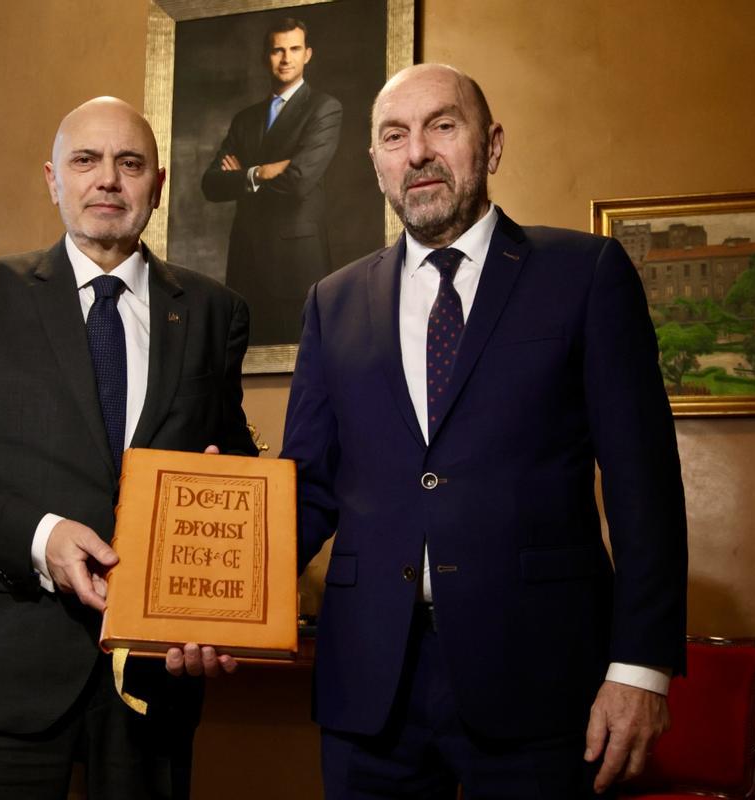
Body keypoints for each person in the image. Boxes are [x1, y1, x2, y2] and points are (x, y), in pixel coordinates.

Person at [281, 64, 688, 798]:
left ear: (491, 145)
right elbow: (309, 487)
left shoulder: (584, 273)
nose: (418, 153)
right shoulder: (332, 302)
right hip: (370, 688)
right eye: (394, 136)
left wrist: (640, 668)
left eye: (443, 125)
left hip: (539, 679)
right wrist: (221, 580)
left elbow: (644, 487)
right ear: (375, 162)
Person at [0, 96, 257, 799]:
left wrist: (218, 578)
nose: (108, 180)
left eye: (130, 163)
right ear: (53, 179)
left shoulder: (215, 311)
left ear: (159, 183)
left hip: (156, 673)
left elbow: (230, 461)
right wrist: (44, 537)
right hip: (4, 662)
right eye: (86, 161)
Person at [202, 17, 343, 346]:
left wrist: (240, 176)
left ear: (308, 54)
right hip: (246, 261)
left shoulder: (324, 109)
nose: (286, 58)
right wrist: (259, 172)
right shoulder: (245, 119)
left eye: (294, 49)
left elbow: (298, 181)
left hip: (296, 264)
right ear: (266, 56)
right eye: (277, 50)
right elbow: (210, 184)